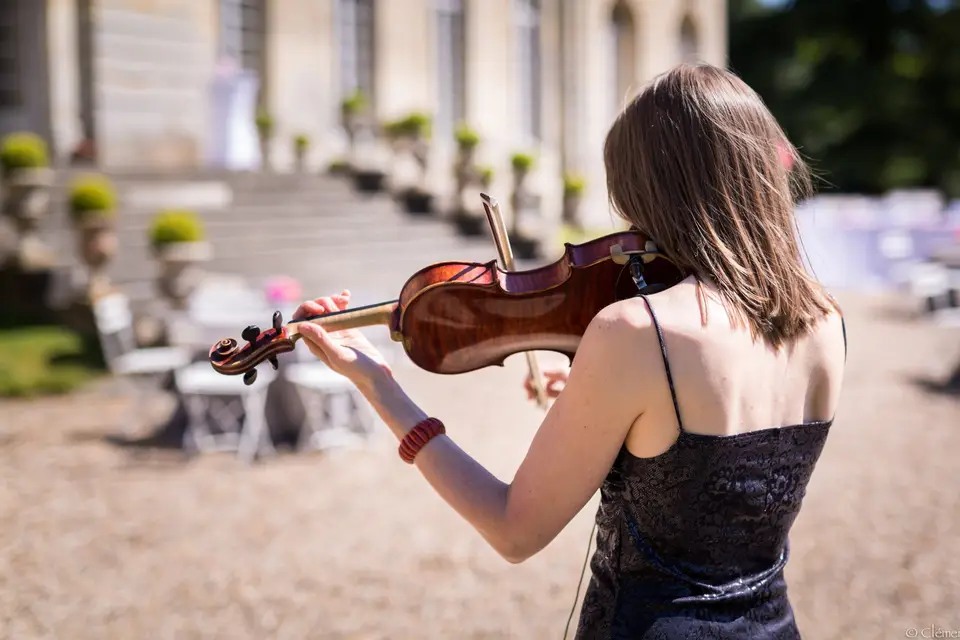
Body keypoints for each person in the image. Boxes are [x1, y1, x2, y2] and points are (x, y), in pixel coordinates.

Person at [292, 62, 847, 639]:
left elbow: (514, 531)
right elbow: (726, 476)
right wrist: (606, 405)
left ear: (650, 188)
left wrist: (379, 384)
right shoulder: (827, 320)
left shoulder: (635, 330)